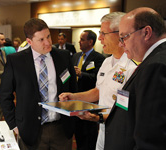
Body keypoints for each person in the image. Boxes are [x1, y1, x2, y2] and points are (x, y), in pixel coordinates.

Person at [104, 7, 166, 150]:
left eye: (125, 37)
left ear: (146, 33)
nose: (121, 43)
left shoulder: (157, 66)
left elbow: (153, 139)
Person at [59, 12, 137, 150]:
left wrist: (99, 117)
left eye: (103, 33)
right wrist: (72, 96)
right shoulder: (107, 61)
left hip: (123, 133)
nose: (99, 38)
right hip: (102, 129)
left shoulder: (133, 66)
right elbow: (98, 91)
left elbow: (130, 109)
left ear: (120, 34)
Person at [0, 18, 77, 150]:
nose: (48, 43)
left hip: (62, 130)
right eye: (41, 40)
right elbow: (5, 95)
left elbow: (73, 88)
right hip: (30, 130)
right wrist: (14, 125)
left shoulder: (63, 57)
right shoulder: (16, 61)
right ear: (29, 41)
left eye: (48, 36)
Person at [72, 30, 105, 150]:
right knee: (78, 133)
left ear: (90, 42)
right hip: (75, 100)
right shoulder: (76, 56)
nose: (79, 42)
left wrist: (82, 74)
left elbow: (98, 79)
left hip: (90, 101)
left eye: (82, 39)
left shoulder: (99, 58)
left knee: (89, 134)